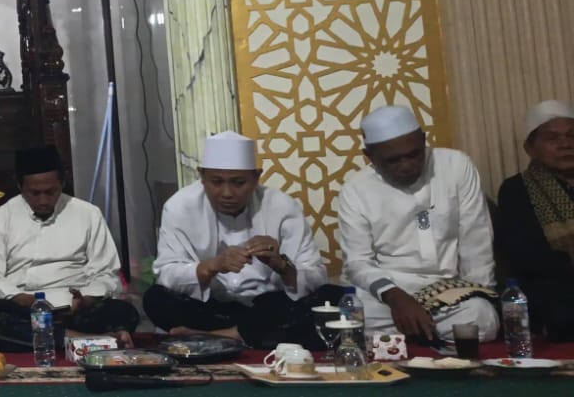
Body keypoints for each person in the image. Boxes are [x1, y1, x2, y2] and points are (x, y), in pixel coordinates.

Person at [148, 132, 339, 349]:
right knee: (156, 298)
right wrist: (211, 266)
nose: (227, 193)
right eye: (216, 182)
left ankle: (216, 336)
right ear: (202, 176)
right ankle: (252, 335)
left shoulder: (282, 206)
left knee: (332, 297)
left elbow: (316, 276)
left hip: (267, 306)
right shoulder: (179, 207)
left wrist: (281, 265)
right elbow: (166, 274)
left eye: (238, 183)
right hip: (212, 308)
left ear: (256, 177)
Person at [335, 105, 498, 344]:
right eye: (392, 160)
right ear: (368, 156)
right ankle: (428, 335)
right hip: (387, 295)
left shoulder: (456, 166)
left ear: (423, 140)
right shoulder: (355, 190)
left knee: (481, 317)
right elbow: (358, 262)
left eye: (414, 155)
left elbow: (476, 239)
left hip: (447, 292)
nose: (406, 166)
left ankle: (406, 337)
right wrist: (396, 298)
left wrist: (480, 293)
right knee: (353, 317)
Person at [0, 146, 140, 351]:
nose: (43, 201)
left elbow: (106, 273)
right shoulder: (0, 218)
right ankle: (78, 339)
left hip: (75, 310)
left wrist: (86, 299)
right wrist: (23, 300)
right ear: (19, 185)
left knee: (124, 311)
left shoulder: (88, 214)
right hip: (23, 308)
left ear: (62, 183)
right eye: (34, 193)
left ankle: (57, 337)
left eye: (51, 192)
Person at [495, 100, 574, 341]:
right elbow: (528, 258)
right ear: (530, 148)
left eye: (572, 135)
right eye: (552, 138)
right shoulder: (516, 190)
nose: (566, 144)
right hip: (554, 288)